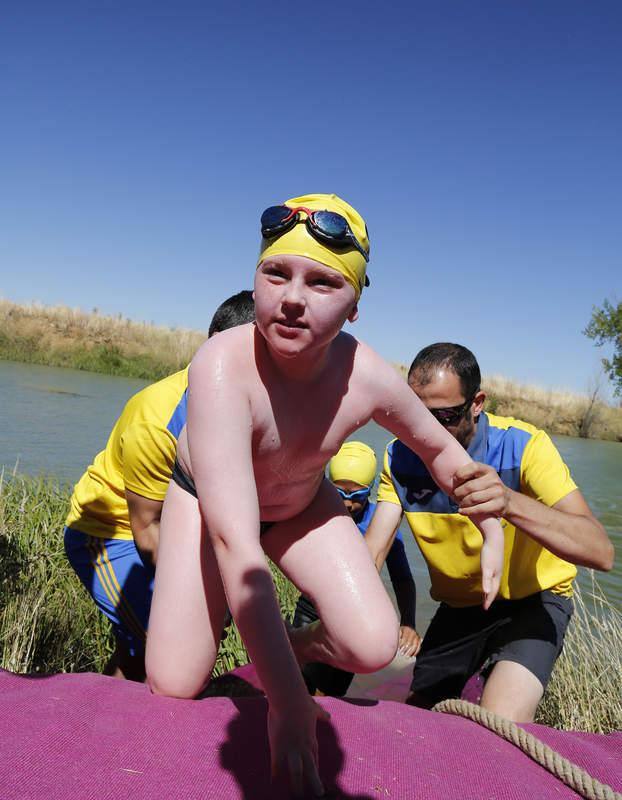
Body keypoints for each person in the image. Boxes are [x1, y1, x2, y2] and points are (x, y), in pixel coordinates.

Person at [145, 194, 505, 798]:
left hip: (298, 506)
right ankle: (265, 659)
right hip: (207, 507)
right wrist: (286, 701)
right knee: (174, 682)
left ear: (356, 306)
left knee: (371, 645)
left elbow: (442, 452)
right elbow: (235, 541)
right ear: (255, 279)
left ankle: (288, 644)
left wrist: (490, 527)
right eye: (275, 273)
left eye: (322, 282)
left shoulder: (367, 377)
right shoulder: (219, 367)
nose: (292, 297)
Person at [365, 342, 614, 723]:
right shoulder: (398, 457)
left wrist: (509, 501)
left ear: (477, 402)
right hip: (461, 607)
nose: (426, 431)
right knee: (417, 721)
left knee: (501, 724)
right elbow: (374, 552)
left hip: (534, 601)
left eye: (444, 415)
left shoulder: (525, 445)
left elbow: (600, 551)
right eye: (416, 415)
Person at [64, 290, 256, 681]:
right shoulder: (159, 415)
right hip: (108, 532)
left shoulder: (247, 405)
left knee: (137, 648)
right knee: (170, 646)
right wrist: (203, 598)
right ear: (213, 342)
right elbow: (147, 530)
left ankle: (111, 714)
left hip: (171, 529)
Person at [293, 441, 419, 697]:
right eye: (340, 493)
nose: (348, 504)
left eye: (357, 496)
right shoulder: (317, 512)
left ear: (371, 490)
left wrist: (408, 622)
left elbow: (403, 579)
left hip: (354, 613)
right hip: (311, 606)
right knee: (296, 676)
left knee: (331, 686)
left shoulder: (382, 526)